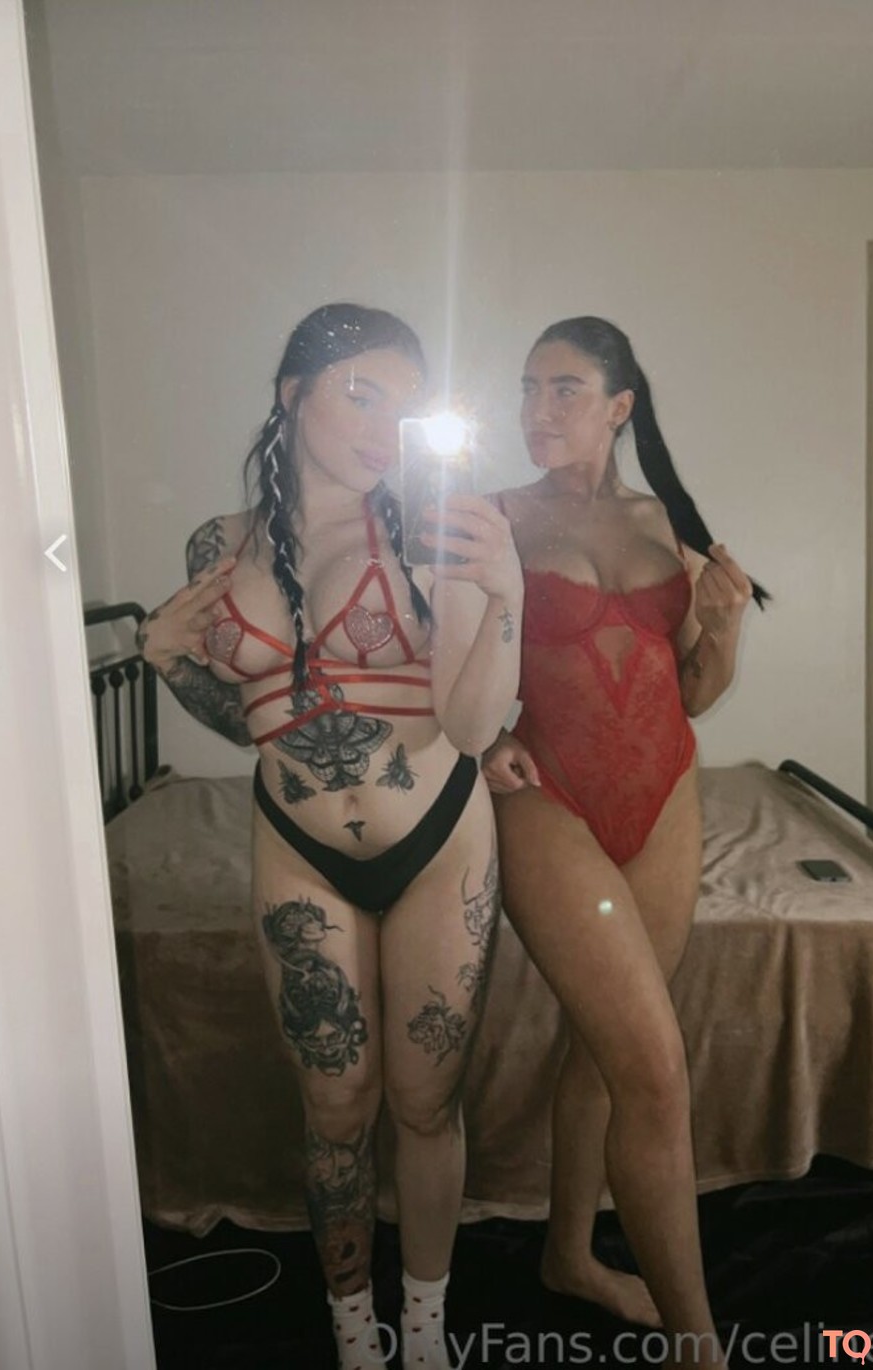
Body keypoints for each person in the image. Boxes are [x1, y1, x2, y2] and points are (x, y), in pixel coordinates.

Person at [136, 303, 523, 1370]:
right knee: (335, 1104)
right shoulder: (219, 546)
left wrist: (506, 595)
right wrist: (167, 660)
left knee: (424, 1102)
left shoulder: (434, 527)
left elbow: (471, 724)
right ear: (292, 393)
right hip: (297, 847)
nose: (383, 428)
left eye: (404, 407)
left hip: (438, 839)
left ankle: (427, 1330)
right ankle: (356, 1334)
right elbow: (250, 721)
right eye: (361, 394)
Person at [483, 316, 765, 1368]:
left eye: (563, 388)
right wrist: (482, 740)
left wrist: (724, 624)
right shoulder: (493, 518)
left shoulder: (664, 523)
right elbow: (441, 664)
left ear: (619, 406)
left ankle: (569, 1256)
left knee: (605, 1049)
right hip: (546, 797)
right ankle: (700, 1345)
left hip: (666, 796)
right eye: (527, 388)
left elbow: (694, 688)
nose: (536, 409)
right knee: (653, 1066)